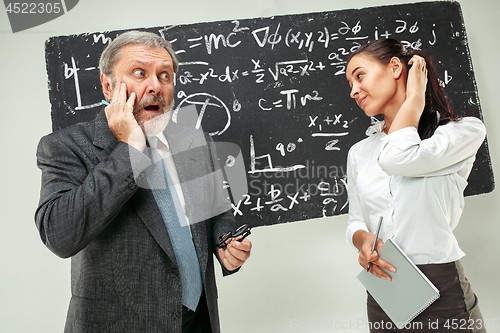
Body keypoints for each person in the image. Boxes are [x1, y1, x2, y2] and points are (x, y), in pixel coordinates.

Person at [35, 30, 251, 333]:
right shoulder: (66, 146)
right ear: (108, 86)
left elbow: (215, 211)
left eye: (165, 76)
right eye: (140, 73)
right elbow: (60, 235)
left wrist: (225, 240)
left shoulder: (192, 139)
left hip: (196, 320)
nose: (155, 86)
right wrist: (129, 149)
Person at [345, 38, 487, 332]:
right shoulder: (360, 152)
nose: (353, 90)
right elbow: (356, 220)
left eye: (359, 76)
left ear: (395, 67)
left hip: (441, 288)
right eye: (350, 83)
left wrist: (415, 100)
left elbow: (397, 157)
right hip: (385, 286)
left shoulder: (462, 132)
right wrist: (364, 242)